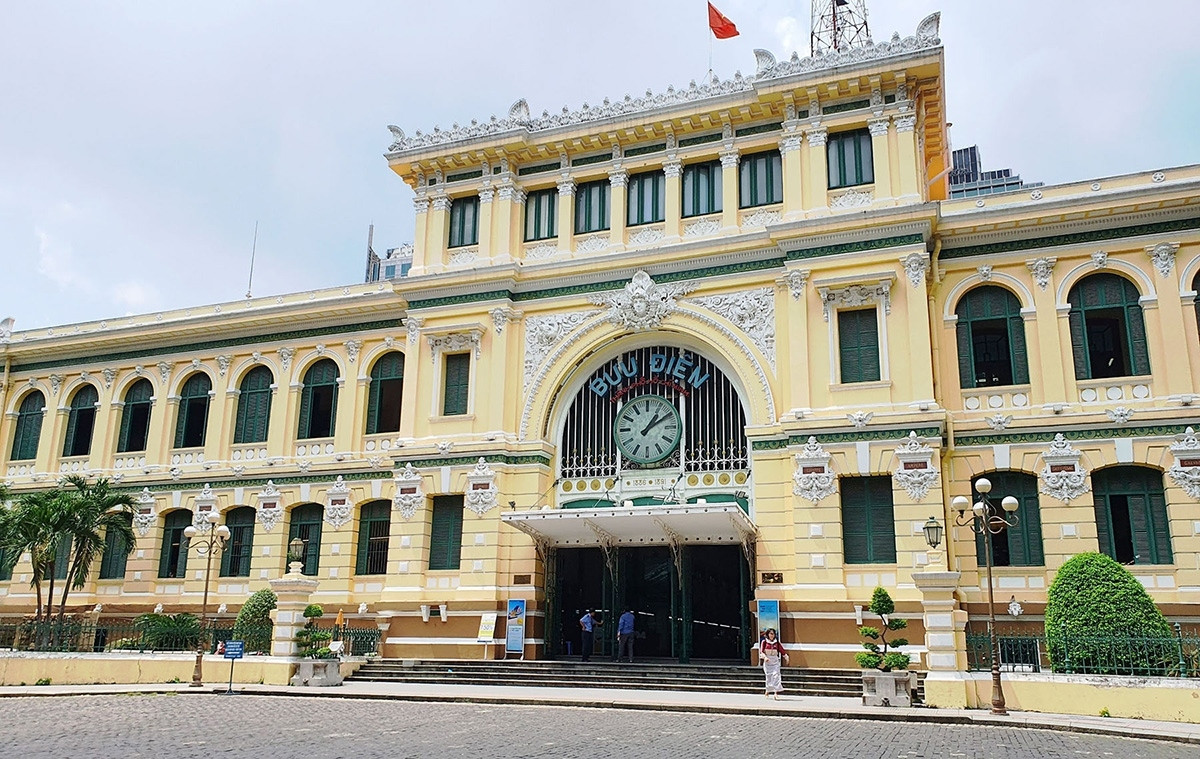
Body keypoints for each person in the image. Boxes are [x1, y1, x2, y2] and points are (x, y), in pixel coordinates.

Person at [759, 627, 789, 699]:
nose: (772, 635)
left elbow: (782, 651)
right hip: (768, 661)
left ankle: (776, 693)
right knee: (769, 677)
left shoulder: (777, 643)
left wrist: (786, 657)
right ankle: (768, 690)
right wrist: (765, 657)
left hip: (775, 661)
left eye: (773, 634)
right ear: (768, 634)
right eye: (771, 634)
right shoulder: (764, 642)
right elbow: (761, 651)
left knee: (776, 676)